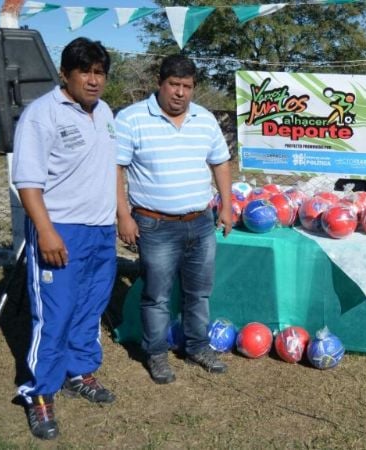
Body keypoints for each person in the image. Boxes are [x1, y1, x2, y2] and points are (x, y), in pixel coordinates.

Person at [12, 37, 117, 440]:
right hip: (61, 229)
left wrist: (118, 216)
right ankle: (39, 394)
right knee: (54, 315)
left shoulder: (105, 111)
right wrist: (46, 230)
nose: (93, 81)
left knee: (90, 308)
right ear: (65, 74)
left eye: (99, 73)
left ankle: (80, 372)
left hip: (101, 230)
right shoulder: (42, 114)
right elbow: (28, 182)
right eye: (85, 72)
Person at [115, 55, 233, 385]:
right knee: (157, 295)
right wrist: (123, 215)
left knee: (199, 292)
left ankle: (197, 346)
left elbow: (220, 163)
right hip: (155, 225)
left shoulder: (205, 119)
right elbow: (115, 168)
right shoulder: (131, 119)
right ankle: (156, 354)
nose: (180, 93)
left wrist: (226, 206)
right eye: (174, 85)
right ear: (160, 83)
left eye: (187, 86)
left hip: (200, 222)